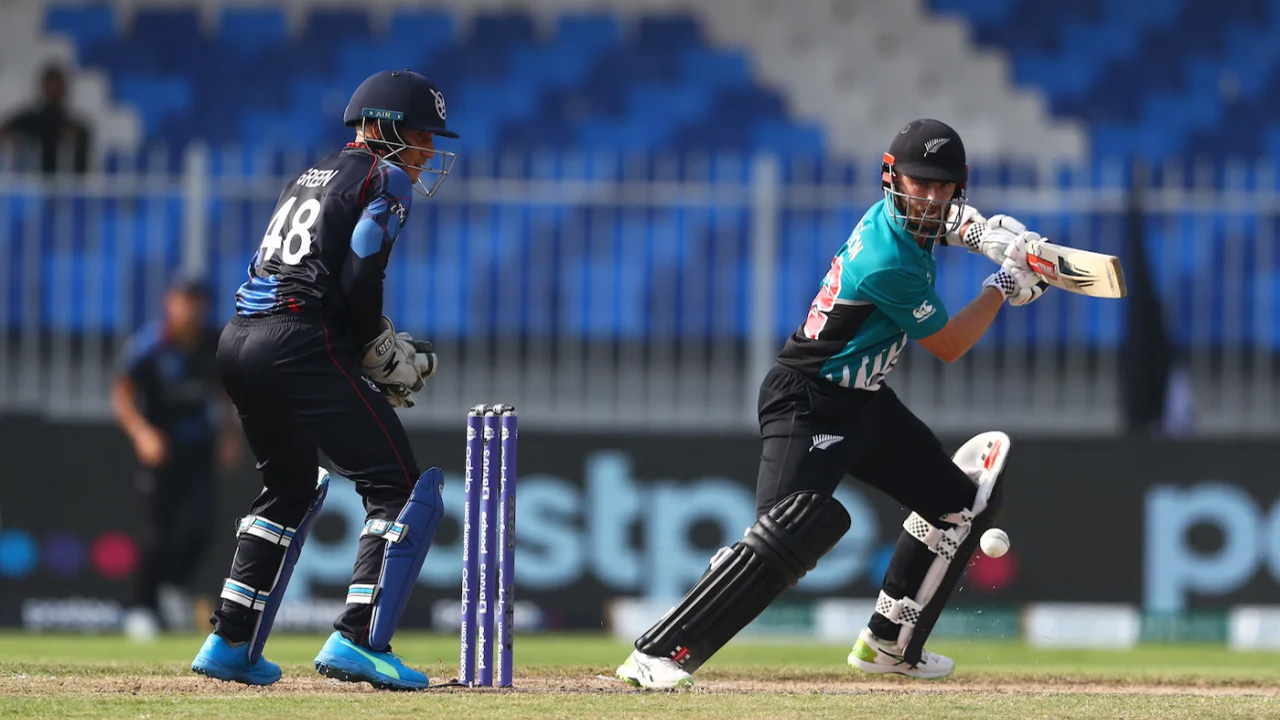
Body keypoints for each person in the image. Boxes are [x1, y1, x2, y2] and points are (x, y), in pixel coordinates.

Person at [616, 119, 1050, 689]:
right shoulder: (886, 259)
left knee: (958, 506)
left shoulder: (910, 222)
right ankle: (656, 655)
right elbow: (949, 346)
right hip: (808, 400)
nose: (931, 196)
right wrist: (1002, 286)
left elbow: (941, 224)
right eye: (919, 184)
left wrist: (988, 235)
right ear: (891, 178)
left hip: (865, 403)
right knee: (786, 536)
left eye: (943, 187)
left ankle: (890, 645)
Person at [189, 69, 456, 690]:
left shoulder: (309, 174)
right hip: (301, 341)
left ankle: (230, 641)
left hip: (239, 340)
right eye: (421, 136)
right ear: (386, 130)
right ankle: (358, 640)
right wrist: (375, 348)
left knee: (287, 488)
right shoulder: (383, 178)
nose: (428, 153)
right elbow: (360, 280)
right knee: (400, 488)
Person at [112, 273, 242, 641]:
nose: (191, 309)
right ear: (170, 302)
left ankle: (175, 587)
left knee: (203, 525)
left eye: (197, 302)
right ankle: (142, 608)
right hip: (160, 454)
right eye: (185, 300)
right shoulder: (151, 346)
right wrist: (142, 433)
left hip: (198, 450)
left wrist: (230, 436)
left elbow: (224, 395)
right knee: (158, 535)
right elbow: (121, 395)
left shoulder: (211, 345)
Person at [0, 64, 91, 174]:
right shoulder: (28, 121)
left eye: (58, 86)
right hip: (31, 184)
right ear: (43, 87)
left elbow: (82, 171)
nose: (54, 89)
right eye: (50, 85)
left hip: (65, 186)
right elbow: (5, 133)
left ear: (65, 89)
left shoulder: (77, 129)